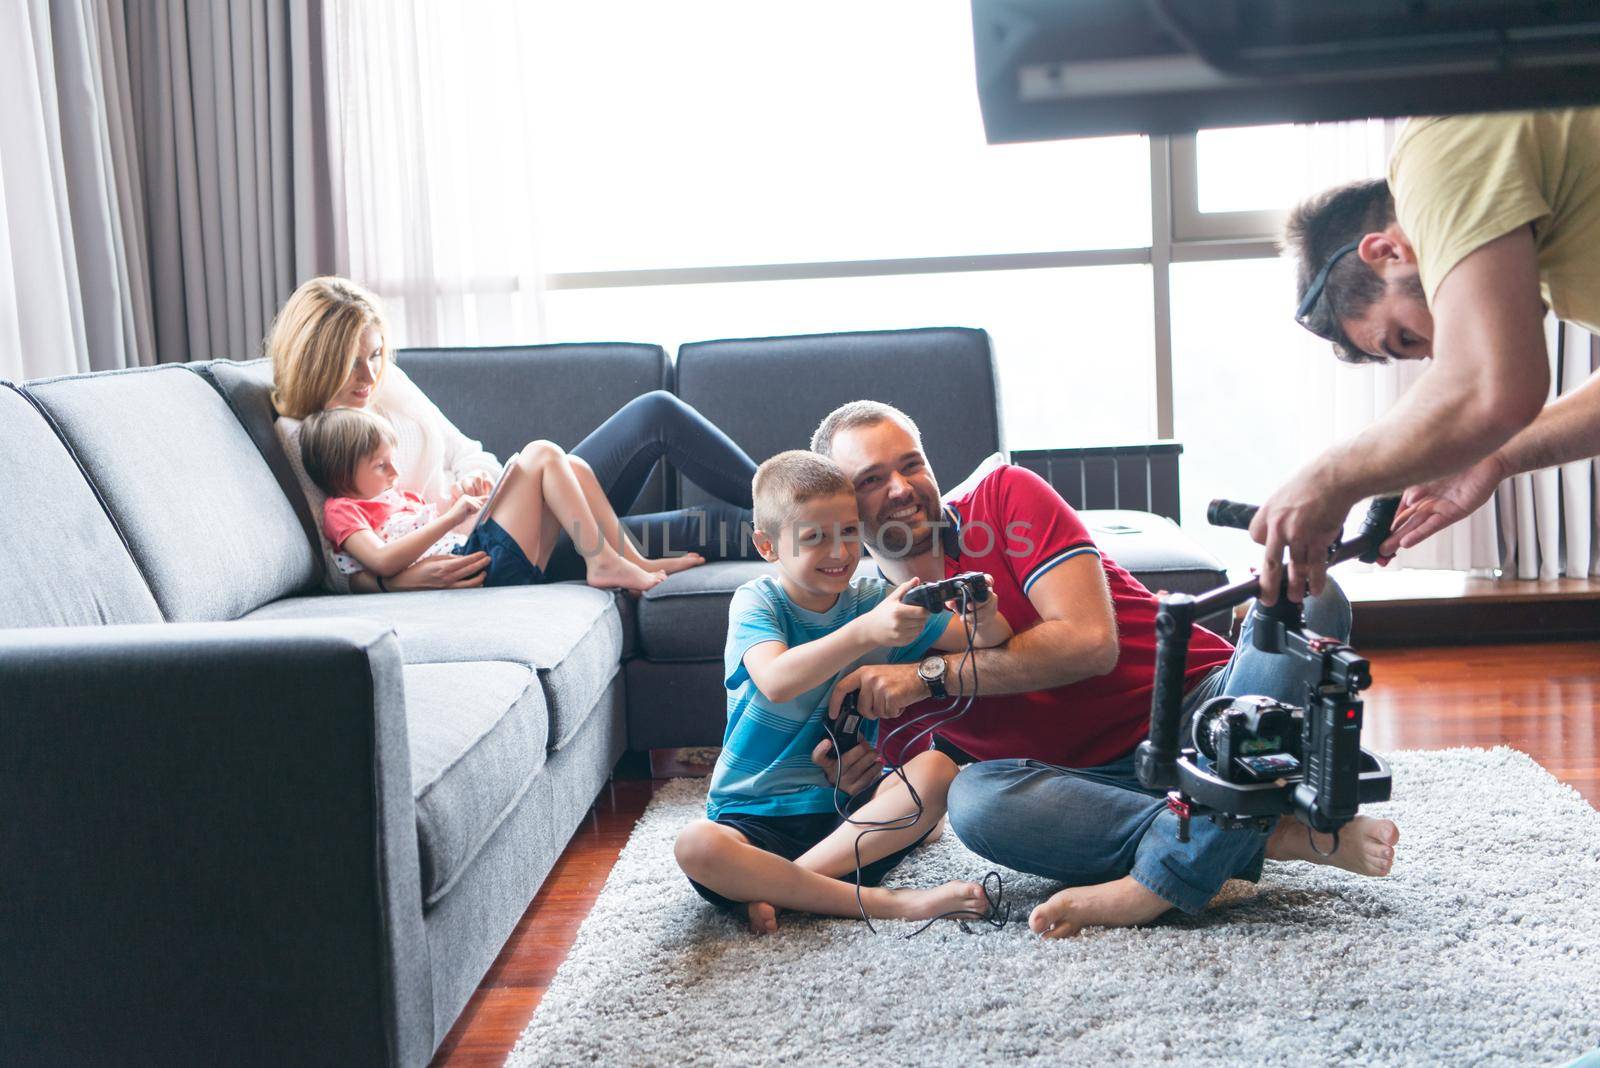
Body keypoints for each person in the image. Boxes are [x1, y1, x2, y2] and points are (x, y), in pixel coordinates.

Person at [808, 400, 1400, 937]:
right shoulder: (866, 636)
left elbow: (1089, 646)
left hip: (1209, 713)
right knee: (977, 803)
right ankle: (1274, 829)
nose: (902, 489)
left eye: (911, 465)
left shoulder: (1005, 497)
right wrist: (849, 786)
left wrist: (928, 678)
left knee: (1314, 597)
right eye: (872, 479)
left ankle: (1160, 881)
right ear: (841, 507)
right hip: (1096, 791)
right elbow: (927, 811)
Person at [1256, 108, 1600, 602]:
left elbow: (1486, 384)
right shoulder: (1554, 262)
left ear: (1386, 252)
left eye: (1406, 338)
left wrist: (1329, 478)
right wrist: (1496, 456)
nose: (1441, 353)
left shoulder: (1435, 155)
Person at [673, 450, 1011, 934]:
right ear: (768, 546)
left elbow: (982, 642)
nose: (839, 553)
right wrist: (867, 633)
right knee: (697, 845)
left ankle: (784, 890)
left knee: (938, 770)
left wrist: (984, 614)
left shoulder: (874, 599)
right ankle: (888, 903)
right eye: (815, 538)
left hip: (846, 818)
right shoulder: (758, 601)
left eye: (850, 532)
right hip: (753, 819)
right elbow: (776, 678)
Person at [267, 276, 760, 593]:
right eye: (352, 362)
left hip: (500, 514)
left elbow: (469, 453)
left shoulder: (387, 383)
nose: (368, 375)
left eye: (374, 355)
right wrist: (399, 582)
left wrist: (471, 485)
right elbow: (335, 559)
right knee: (704, 526)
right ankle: (820, 523)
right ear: (317, 359)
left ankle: (809, 504)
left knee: (654, 419)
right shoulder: (302, 433)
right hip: (486, 549)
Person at [301, 406, 666, 592]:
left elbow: (441, 528)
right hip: (477, 569)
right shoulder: (342, 510)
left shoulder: (396, 498)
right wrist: (449, 518)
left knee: (573, 466)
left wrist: (467, 494)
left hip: (477, 556)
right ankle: (602, 563)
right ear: (340, 473)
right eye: (381, 466)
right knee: (542, 452)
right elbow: (380, 561)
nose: (394, 473)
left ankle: (629, 559)